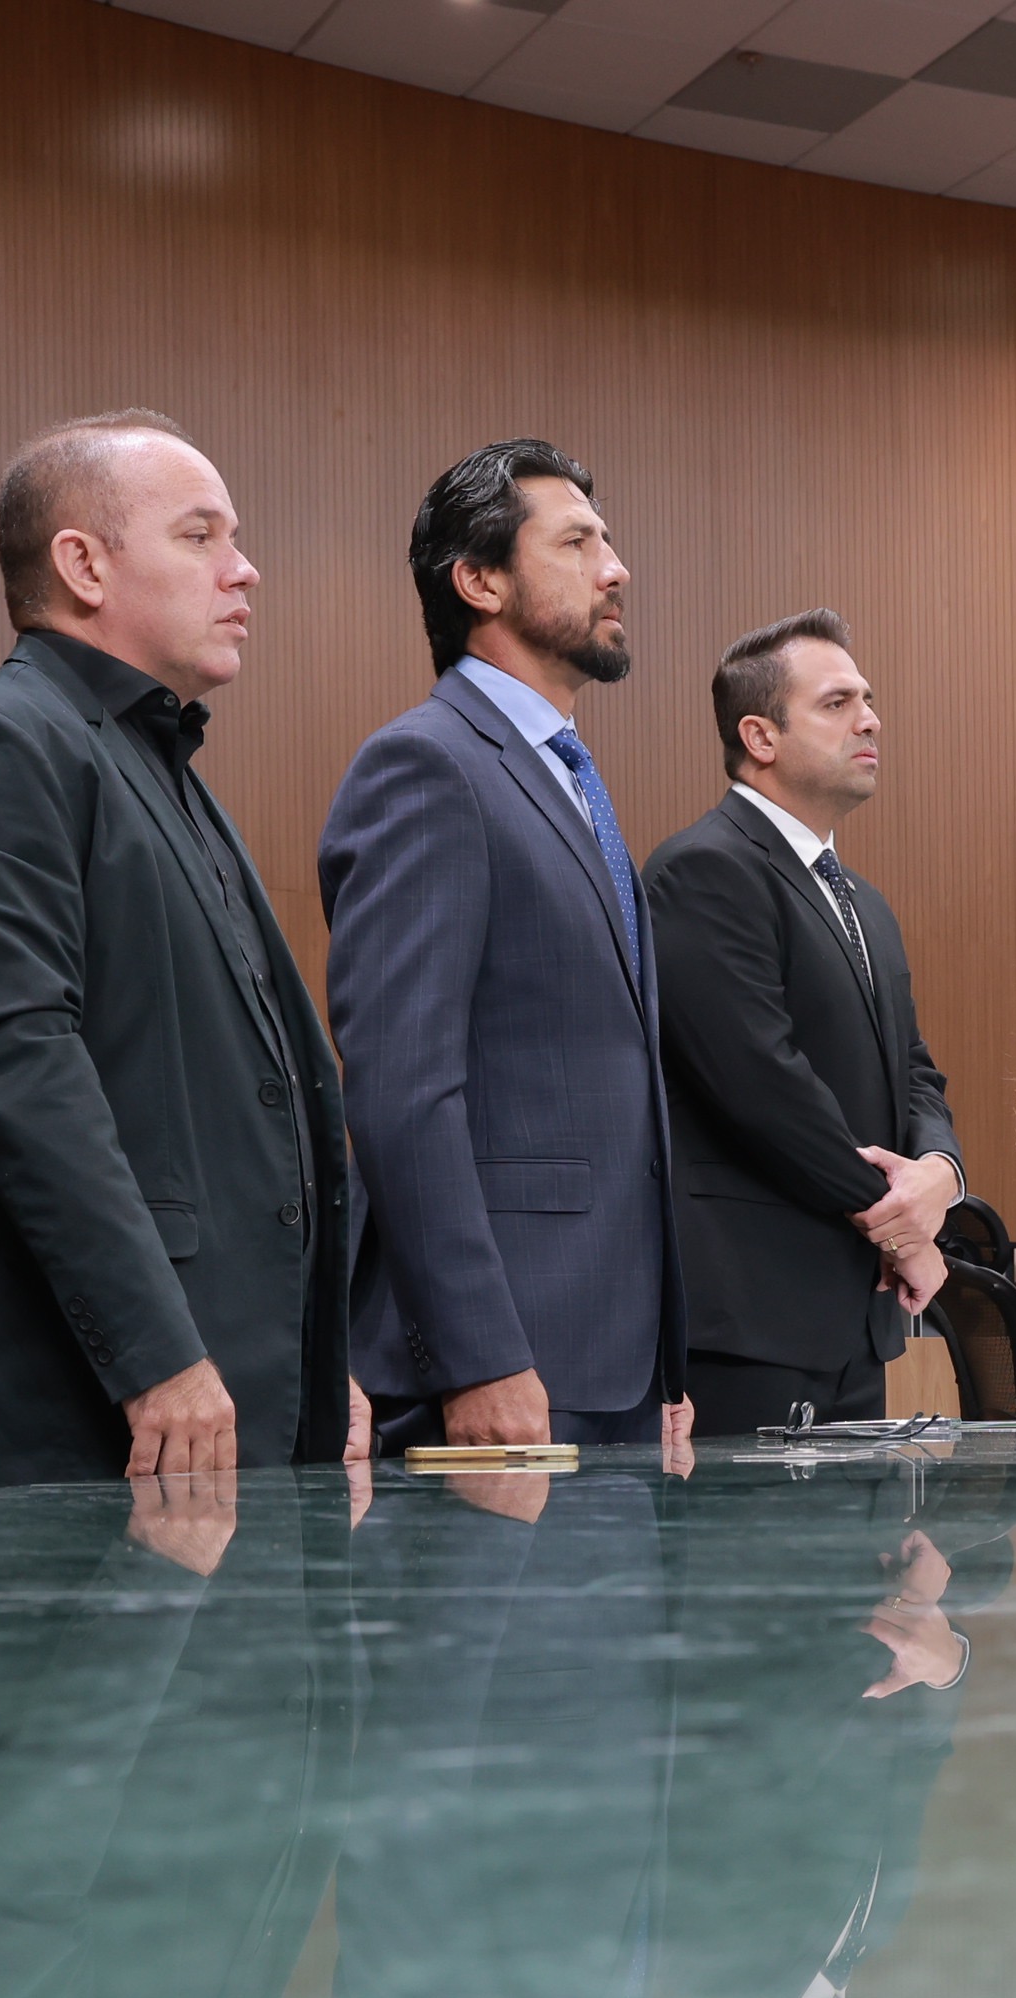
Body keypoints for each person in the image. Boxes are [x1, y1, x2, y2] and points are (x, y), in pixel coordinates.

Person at [0, 409, 361, 1492]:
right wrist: (157, 1357)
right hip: (94, 1434)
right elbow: (19, 1068)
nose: (245, 570)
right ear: (83, 565)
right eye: (200, 535)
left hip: (239, 1406)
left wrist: (326, 1359)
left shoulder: (164, 772)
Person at [324, 438, 685, 1453]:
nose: (616, 569)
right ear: (479, 581)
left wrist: (668, 1362)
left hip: (613, 1365)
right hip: (503, 1367)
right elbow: (402, 1091)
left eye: (607, 541)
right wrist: (476, 1355)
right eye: (576, 543)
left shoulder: (569, 778)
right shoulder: (425, 766)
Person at [644, 611, 961, 1435]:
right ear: (761, 736)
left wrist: (940, 1174)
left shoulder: (866, 903)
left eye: (869, 699)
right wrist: (901, 1230)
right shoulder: (703, 868)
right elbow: (762, 1083)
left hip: (858, 1320)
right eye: (837, 703)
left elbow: (915, 1070)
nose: (870, 719)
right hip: (754, 1318)